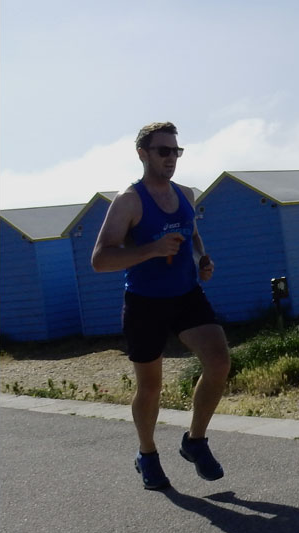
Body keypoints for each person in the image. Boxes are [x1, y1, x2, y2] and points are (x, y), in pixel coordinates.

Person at [92, 122, 231, 491]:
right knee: (150, 387)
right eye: (163, 151)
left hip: (186, 295)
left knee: (219, 362)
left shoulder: (186, 194)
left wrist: (203, 258)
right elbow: (100, 259)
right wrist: (150, 250)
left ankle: (195, 441)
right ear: (143, 154)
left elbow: (194, 236)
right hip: (144, 302)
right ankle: (147, 454)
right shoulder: (129, 201)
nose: (171, 158)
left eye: (176, 151)